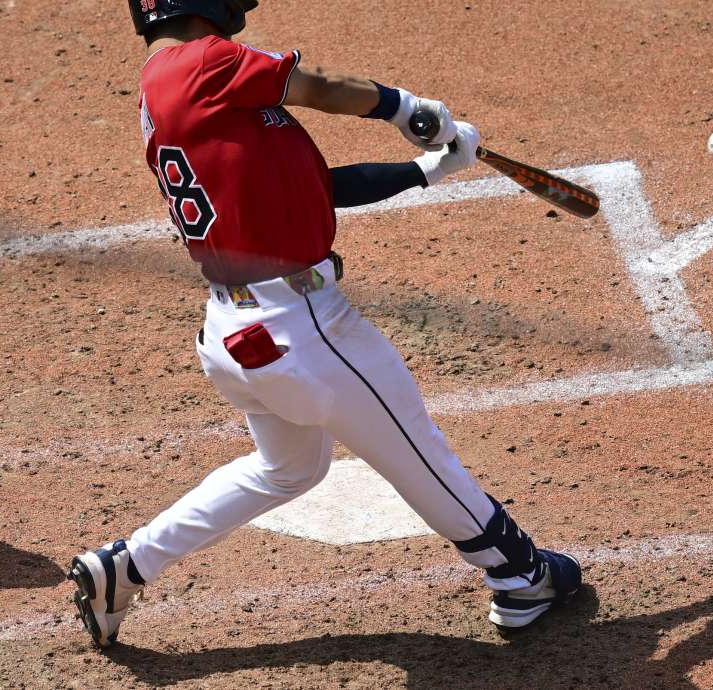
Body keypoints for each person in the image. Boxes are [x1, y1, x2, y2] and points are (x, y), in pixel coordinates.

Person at [68, 0, 580, 648]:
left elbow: (308, 184)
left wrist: (428, 170)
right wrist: (405, 108)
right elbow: (323, 87)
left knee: (288, 471)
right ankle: (523, 578)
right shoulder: (206, 63)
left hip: (236, 332)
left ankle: (128, 565)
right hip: (304, 329)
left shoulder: (164, 88)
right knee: (417, 449)